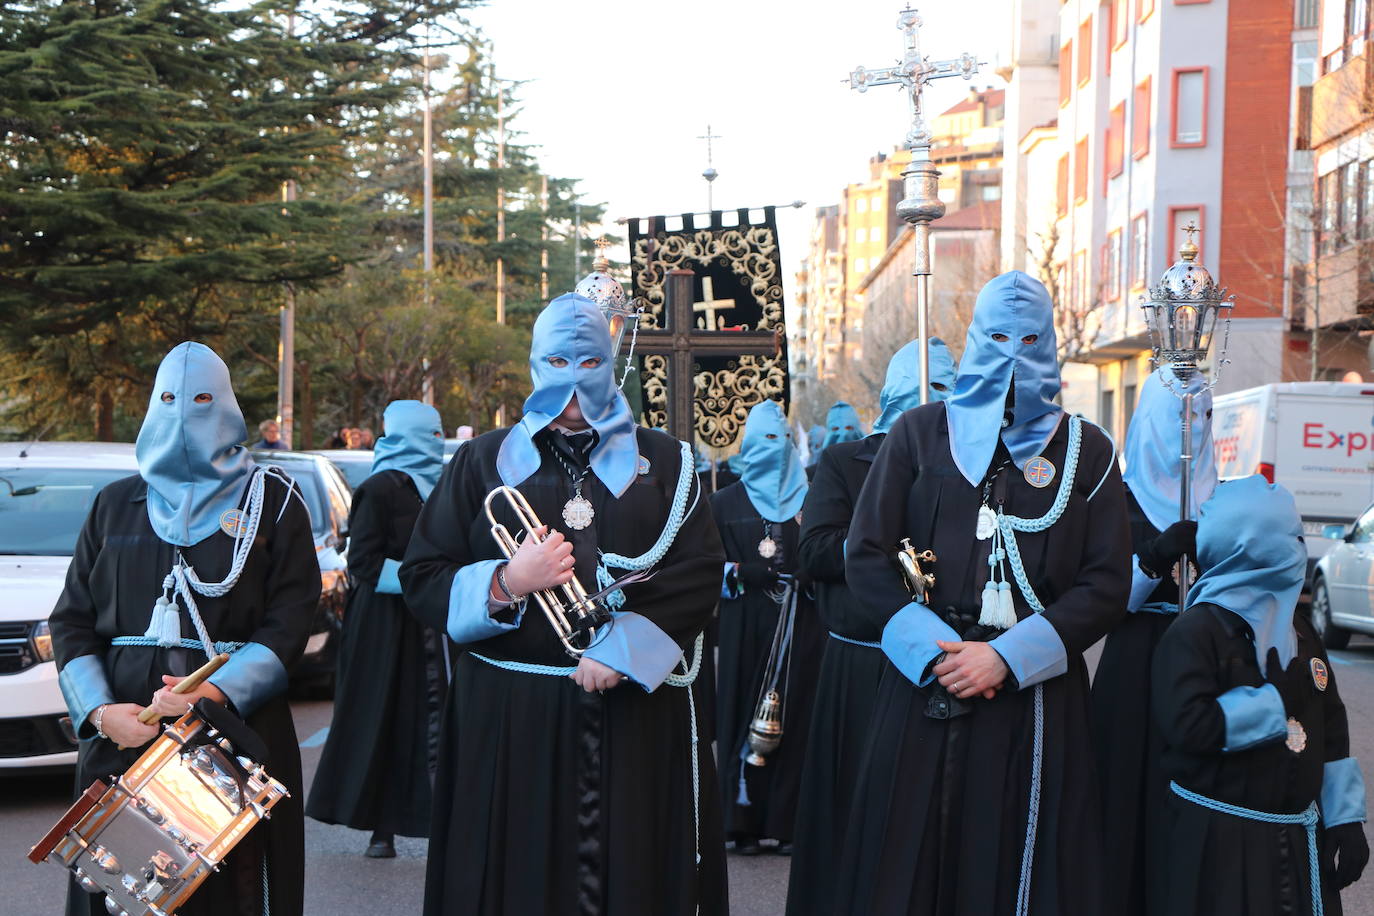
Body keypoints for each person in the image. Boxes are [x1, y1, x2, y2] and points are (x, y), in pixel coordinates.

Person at [399, 293, 729, 915]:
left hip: (634, 717)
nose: (573, 387)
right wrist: (507, 582)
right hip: (510, 720)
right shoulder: (481, 461)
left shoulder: (667, 461)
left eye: (589, 364)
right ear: (532, 366)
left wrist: (627, 650)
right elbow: (424, 574)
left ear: (612, 365)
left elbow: (698, 573)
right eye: (556, 362)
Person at [835, 270, 1131, 914]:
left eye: (1028, 339)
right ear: (972, 339)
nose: (1012, 356)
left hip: (1036, 698)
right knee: (909, 860)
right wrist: (934, 651)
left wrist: (1008, 656)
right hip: (923, 682)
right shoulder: (917, 434)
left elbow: (1107, 581)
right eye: (996, 337)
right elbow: (866, 556)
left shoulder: (1088, 449)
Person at [50, 342, 321, 916]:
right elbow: (72, 619)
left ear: (226, 404)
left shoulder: (273, 503)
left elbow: (291, 619)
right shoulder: (114, 504)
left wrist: (214, 693)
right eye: (168, 399)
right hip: (128, 736)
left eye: (200, 399)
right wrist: (102, 714)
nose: (182, 415)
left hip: (232, 737)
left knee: (231, 892)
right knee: (120, 887)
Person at [785, 337, 956, 916]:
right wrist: (891, 549)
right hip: (862, 665)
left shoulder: (973, 465)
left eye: (947, 387)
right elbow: (815, 552)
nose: (937, 400)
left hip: (944, 663)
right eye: (927, 388)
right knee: (853, 815)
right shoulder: (844, 462)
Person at [1151, 475, 1368, 916]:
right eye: (1289, 538)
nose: (1299, 549)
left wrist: (1345, 819)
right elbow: (1188, 724)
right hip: (1218, 845)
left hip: (1297, 840)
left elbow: (1331, 724)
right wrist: (1273, 700)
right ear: (1249, 544)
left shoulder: (1301, 631)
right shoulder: (1196, 631)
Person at [1090, 367, 1217, 916]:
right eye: (1178, 415)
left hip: (1208, 659)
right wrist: (1154, 557)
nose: (1190, 429)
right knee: (1126, 791)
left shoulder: (1223, 497)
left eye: (1202, 416)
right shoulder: (1115, 498)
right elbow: (1099, 601)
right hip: (1138, 658)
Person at [306, 400, 447, 858]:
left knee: (438, 721)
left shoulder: (444, 485)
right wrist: (423, 578)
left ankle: (441, 820)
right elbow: (363, 561)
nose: (437, 441)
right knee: (382, 717)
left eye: (439, 432)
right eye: (429, 433)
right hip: (385, 629)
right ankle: (380, 828)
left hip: (435, 623)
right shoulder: (379, 488)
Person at [712, 399, 823, 857]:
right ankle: (742, 823)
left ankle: (790, 822)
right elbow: (702, 567)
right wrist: (738, 571)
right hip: (745, 625)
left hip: (802, 623)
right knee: (742, 709)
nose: (773, 450)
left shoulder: (813, 499)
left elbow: (832, 550)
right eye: (764, 441)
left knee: (798, 718)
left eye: (781, 440)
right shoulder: (723, 502)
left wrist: (809, 572)